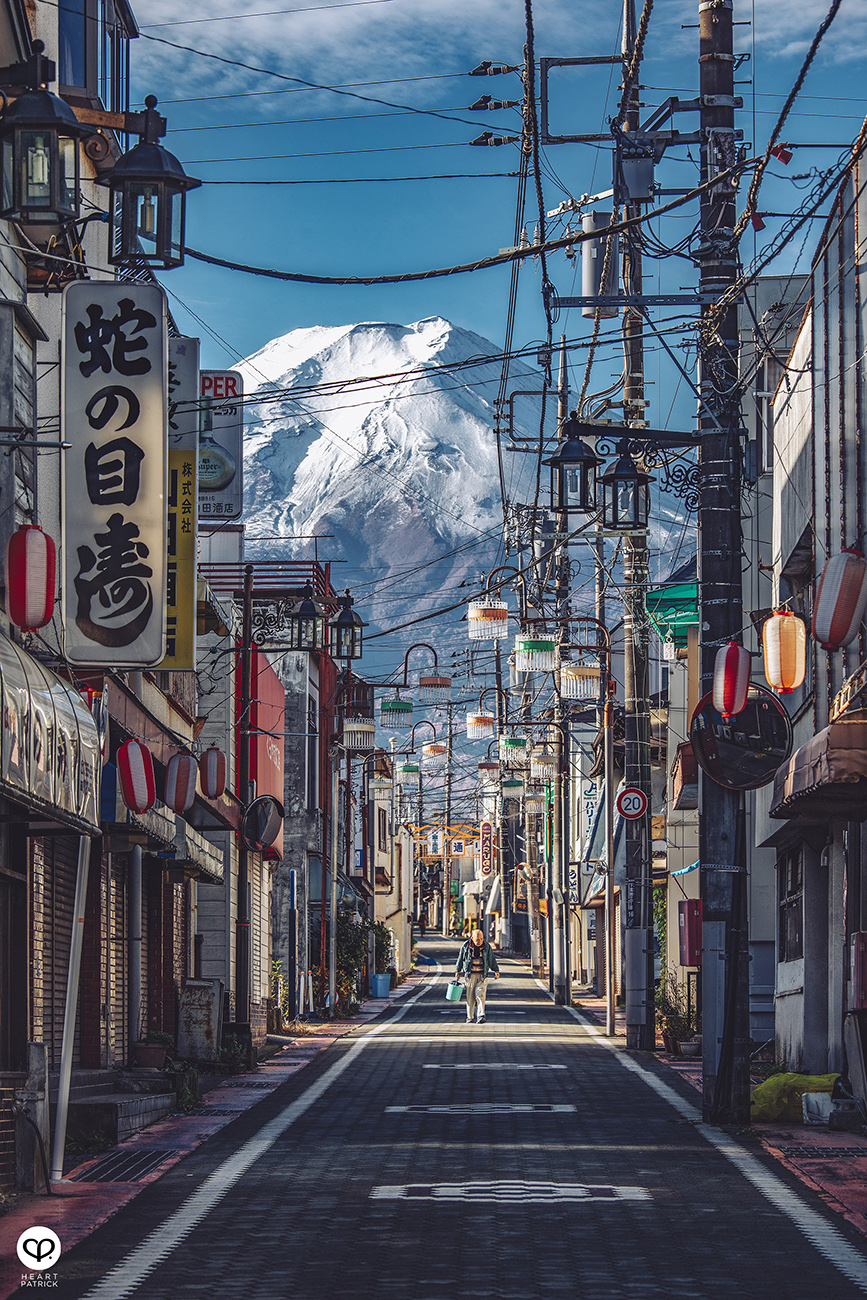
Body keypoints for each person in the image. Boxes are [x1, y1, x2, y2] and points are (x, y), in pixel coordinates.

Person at [455, 928, 499, 1024]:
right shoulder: (466, 946)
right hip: (470, 975)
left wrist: (496, 970)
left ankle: (481, 1015)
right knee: (470, 996)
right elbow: (460, 958)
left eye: (481, 939)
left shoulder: (486, 947)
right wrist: (457, 970)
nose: (479, 941)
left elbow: (491, 959)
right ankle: (470, 1017)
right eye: (477, 939)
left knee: (480, 994)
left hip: (482, 974)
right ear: (472, 938)